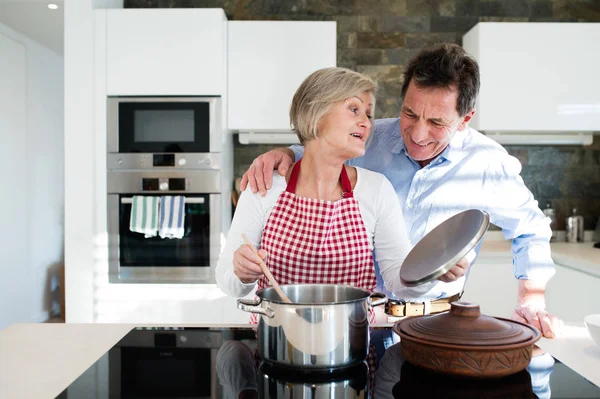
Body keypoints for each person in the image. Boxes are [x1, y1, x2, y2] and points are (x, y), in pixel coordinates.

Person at [239, 43, 563, 338]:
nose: (418, 134)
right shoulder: (369, 139)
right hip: (360, 321)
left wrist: (531, 299)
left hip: (439, 323)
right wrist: (283, 153)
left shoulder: (488, 164)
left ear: (465, 119)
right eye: (409, 113)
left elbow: (531, 229)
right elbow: (317, 150)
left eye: (436, 122)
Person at [216, 67, 417, 314]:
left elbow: (399, 281)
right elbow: (226, 279)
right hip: (278, 344)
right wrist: (241, 273)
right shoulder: (265, 186)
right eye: (354, 109)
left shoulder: (376, 189)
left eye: (368, 114)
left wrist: (431, 271)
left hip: (350, 345)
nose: (366, 122)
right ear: (315, 113)